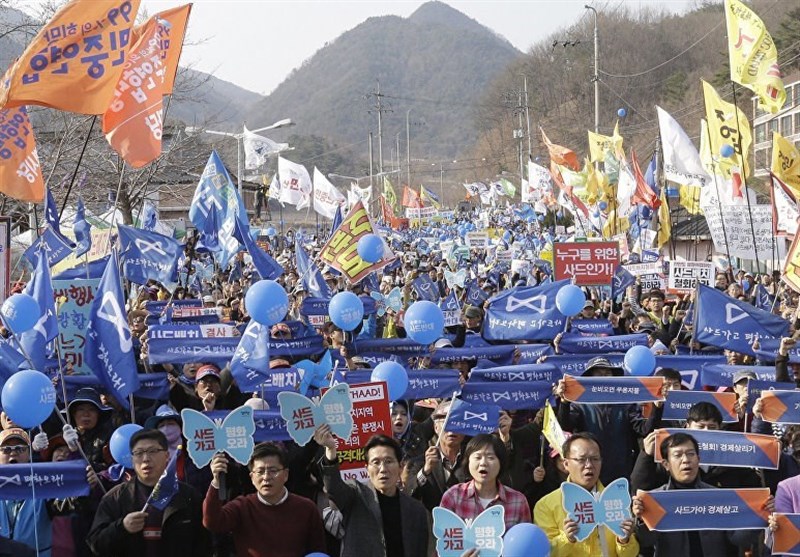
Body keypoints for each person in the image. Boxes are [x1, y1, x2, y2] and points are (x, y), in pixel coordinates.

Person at [632, 432, 769, 556]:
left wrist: (760, 516)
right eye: (678, 455)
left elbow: (737, 538)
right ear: (666, 464)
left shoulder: (717, 496)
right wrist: (642, 519)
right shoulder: (656, 499)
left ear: (698, 459)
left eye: (691, 454)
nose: (686, 460)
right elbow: (646, 541)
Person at [87, 429, 210, 557]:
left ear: (167, 456)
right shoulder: (115, 498)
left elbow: (204, 543)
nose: (146, 459)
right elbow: (95, 544)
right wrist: (122, 527)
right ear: (132, 459)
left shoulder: (188, 495)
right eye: (139, 453)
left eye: (153, 451)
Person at [319, 427, 429, 557]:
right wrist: (331, 451)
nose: (383, 469)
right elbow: (334, 488)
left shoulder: (416, 510)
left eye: (389, 461)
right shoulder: (355, 494)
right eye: (376, 462)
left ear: (400, 467)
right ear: (367, 468)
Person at [202, 442, 326, 557]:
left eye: (273, 471)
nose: (266, 477)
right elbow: (212, 522)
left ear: (286, 474)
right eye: (260, 472)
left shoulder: (306, 508)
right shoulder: (242, 506)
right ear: (251, 477)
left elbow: (317, 550)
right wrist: (216, 482)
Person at [534, 432, 638, 556]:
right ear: (566, 464)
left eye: (595, 459)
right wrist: (567, 539)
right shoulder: (546, 505)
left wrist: (624, 540)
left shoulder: (615, 500)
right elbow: (545, 553)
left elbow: (631, 554)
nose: (589, 465)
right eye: (581, 459)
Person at [439, 434, 530, 532]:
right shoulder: (453, 496)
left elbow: (525, 541)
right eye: (477, 457)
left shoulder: (518, 501)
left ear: (501, 463)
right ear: (468, 461)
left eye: (490, 458)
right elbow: (443, 540)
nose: (483, 463)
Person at [409, 399, 467, 510]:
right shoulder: (418, 463)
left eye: (456, 423)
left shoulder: (473, 459)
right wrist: (425, 471)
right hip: (433, 525)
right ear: (436, 428)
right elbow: (410, 495)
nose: (451, 429)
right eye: (446, 423)